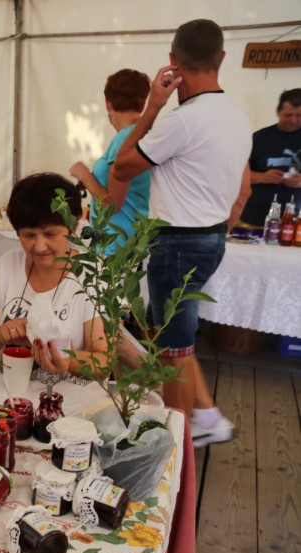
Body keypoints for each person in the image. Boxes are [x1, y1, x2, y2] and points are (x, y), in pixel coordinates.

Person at [111, 19, 252, 448]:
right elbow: (244, 190)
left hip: (178, 241)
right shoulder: (237, 116)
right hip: (212, 237)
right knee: (180, 342)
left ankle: (173, 447)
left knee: (172, 354)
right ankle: (204, 419)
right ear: (222, 58)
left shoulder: (182, 121)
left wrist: (152, 107)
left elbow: (122, 167)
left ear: (173, 60)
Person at [0, 173, 106, 376]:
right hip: (11, 390)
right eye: (29, 235)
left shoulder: (93, 273)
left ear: (74, 224)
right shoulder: (9, 264)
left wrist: (68, 359)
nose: (40, 247)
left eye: (51, 234)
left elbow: (103, 363)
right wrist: (0, 334)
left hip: (71, 393)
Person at [69, 69, 151, 252]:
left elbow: (112, 204)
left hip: (117, 245)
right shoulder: (140, 135)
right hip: (129, 240)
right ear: (143, 103)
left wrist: (84, 174)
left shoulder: (125, 138)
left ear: (108, 103)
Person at [239, 88, 301, 226]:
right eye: (288, 115)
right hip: (253, 218)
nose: (293, 120)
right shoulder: (259, 138)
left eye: (299, 115)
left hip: (294, 222)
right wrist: (262, 177)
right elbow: (237, 174)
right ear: (278, 112)